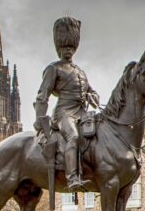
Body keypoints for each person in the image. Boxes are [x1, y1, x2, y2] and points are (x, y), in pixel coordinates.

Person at [34, 17, 100, 192]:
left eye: (71, 47)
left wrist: (93, 96)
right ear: (58, 48)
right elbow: (42, 96)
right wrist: (39, 120)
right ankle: (72, 178)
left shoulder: (80, 72)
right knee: (73, 137)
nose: (68, 51)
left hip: (82, 113)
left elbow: (91, 91)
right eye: (64, 47)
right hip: (64, 114)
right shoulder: (54, 69)